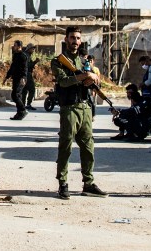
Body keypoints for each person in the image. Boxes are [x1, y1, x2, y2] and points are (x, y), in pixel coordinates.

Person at [51, 26, 107, 199]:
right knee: (66, 147)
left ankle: (88, 183)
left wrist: (94, 78)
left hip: (85, 108)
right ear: (66, 39)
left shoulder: (84, 62)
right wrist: (83, 76)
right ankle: (63, 183)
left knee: (88, 147)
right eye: (72, 38)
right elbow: (63, 81)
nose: (75, 41)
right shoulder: (59, 61)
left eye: (77, 38)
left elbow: (94, 82)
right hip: (69, 108)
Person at [4, 40, 29, 120]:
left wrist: (23, 78)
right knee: (18, 96)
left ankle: (23, 110)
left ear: (19, 46)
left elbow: (25, 68)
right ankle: (19, 113)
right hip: (15, 78)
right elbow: (12, 66)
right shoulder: (15, 55)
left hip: (21, 79)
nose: (13, 47)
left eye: (15, 45)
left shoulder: (23, 56)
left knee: (14, 95)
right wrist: (7, 77)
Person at [23, 45, 38, 110]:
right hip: (27, 74)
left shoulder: (26, 55)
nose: (33, 50)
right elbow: (28, 65)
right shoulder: (26, 56)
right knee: (32, 89)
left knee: (24, 90)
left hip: (24, 74)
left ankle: (23, 105)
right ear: (29, 49)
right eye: (32, 49)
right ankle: (28, 104)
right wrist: (35, 61)